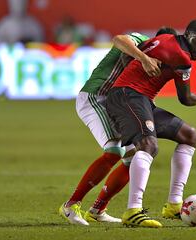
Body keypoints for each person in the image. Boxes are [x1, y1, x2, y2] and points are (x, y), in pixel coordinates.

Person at [59, 28, 178, 226]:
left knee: (134, 157)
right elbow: (119, 39)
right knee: (114, 150)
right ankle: (71, 205)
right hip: (96, 97)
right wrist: (142, 58)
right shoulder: (140, 40)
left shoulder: (162, 62)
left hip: (117, 104)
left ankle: (97, 209)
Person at [106, 19, 196, 228]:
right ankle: (133, 210)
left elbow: (137, 50)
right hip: (127, 95)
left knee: (190, 136)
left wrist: (142, 61)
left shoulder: (165, 38)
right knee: (149, 145)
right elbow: (186, 99)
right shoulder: (182, 58)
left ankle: (174, 204)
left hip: (141, 99)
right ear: (187, 34)